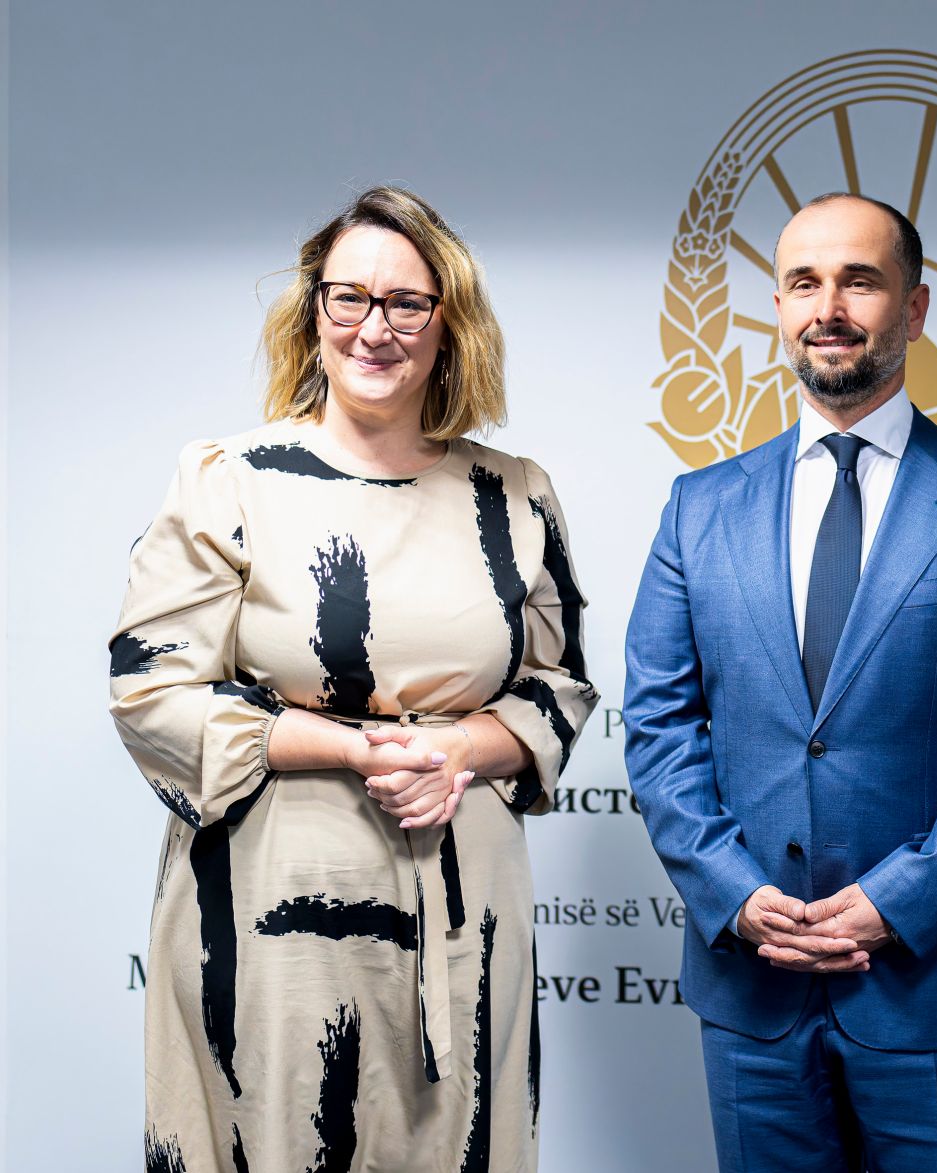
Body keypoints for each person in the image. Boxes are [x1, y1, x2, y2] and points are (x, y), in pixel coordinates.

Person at [110, 186, 597, 1172]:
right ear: (312, 312)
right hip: (272, 907)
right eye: (348, 299)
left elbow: (559, 688)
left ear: (447, 323)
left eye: (405, 304)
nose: (374, 329)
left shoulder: (515, 494)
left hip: (467, 908)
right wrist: (361, 747)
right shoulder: (229, 478)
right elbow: (153, 693)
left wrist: (454, 752)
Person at [623, 192, 937, 1171]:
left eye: (858, 279)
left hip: (934, 980)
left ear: (912, 310)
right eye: (802, 281)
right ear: (778, 308)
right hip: (750, 983)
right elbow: (660, 727)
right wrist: (734, 894)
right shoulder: (696, 509)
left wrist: (898, 901)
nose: (827, 305)